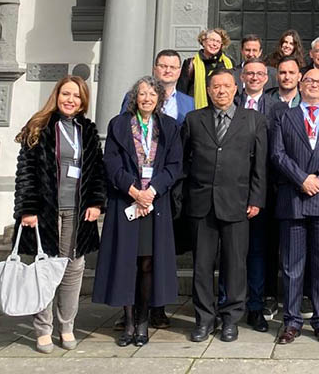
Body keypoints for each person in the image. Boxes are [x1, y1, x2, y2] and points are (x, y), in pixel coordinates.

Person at [13, 76, 106, 353]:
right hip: (45, 211)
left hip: (78, 211)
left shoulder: (86, 130)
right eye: (66, 94)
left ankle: (67, 325)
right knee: (44, 268)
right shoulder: (39, 127)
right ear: (57, 95)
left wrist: (96, 202)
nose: (71, 100)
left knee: (73, 268)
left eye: (76, 96)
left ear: (83, 101)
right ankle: (43, 328)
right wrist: (27, 209)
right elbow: (26, 171)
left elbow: (97, 171)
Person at [94, 76, 183, 347]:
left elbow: (175, 164)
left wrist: (152, 191)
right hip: (126, 202)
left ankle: (144, 321)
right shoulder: (119, 125)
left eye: (152, 94)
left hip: (155, 204)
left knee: (147, 263)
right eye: (142, 94)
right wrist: (134, 192)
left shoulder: (169, 127)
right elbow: (111, 163)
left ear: (159, 99)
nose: (147, 98)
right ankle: (129, 322)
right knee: (126, 262)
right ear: (135, 97)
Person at [182, 70, 268, 343]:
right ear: (208, 90)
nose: (221, 91)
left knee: (235, 265)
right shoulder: (194, 120)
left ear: (236, 89)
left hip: (238, 204)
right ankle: (204, 319)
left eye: (226, 86)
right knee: (202, 266)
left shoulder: (254, 120)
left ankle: (231, 319)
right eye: (216, 87)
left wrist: (256, 199)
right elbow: (185, 161)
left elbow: (260, 166)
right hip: (202, 204)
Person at [271, 68, 319, 344]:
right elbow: (277, 154)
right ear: (301, 85)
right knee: (292, 266)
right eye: (310, 81)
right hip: (293, 199)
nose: (315, 85)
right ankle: (291, 321)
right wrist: (302, 179)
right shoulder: (284, 116)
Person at [116, 50, 194, 331]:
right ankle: (129, 314)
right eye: (163, 65)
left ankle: (154, 310)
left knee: (157, 255)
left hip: (166, 191)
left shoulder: (186, 105)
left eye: (174, 66)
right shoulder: (127, 109)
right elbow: (120, 151)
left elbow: (182, 154)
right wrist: (136, 189)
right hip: (132, 193)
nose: (168, 70)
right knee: (132, 255)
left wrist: (157, 188)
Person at [238, 57, 283, 332]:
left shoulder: (277, 108)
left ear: (267, 78)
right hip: (231, 189)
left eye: (259, 74)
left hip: (263, 189)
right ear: (242, 77)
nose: (254, 77)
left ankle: (256, 305)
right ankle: (230, 303)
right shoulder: (232, 103)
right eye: (249, 73)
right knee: (231, 252)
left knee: (257, 250)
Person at [177, 28, 234, 107]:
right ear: (203, 41)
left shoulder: (228, 63)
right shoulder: (191, 64)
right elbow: (181, 92)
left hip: (222, 112)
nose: (214, 44)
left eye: (218, 42)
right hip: (197, 113)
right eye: (212, 40)